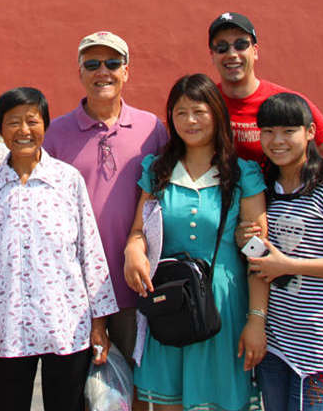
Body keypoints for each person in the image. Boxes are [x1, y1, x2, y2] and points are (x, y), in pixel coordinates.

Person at [0, 87, 119, 411]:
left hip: (67, 326)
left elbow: (90, 252)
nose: (23, 130)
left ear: (45, 125)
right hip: (6, 328)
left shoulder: (67, 180)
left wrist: (99, 324)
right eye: (13, 122)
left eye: (32, 121)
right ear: (0, 128)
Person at [123, 74, 269, 411]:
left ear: (217, 114)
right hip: (171, 304)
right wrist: (133, 249)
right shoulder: (158, 171)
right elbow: (139, 230)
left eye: (199, 111)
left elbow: (258, 254)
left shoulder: (241, 174)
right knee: (168, 402)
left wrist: (256, 319)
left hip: (223, 305)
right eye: (181, 113)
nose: (190, 121)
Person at [43, 31, 167, 360]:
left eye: (112, 63)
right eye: (92, 64)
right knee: (79, 383)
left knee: (135, 379)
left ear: (126, 71)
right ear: (80, 72)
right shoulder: (56, 134)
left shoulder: (151, 129)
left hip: (135, 283)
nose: (103, 72)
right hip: (75, 289)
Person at [248, 92, 323, 411]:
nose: (277, 141)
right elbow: (259, 252)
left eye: (289, 131)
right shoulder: (264, 188)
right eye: (268, 131)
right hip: (275, 342)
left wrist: (289, 265)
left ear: (310, 132)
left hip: (320, 347)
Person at [207, 12, 323, 169]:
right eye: (222, 47)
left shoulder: (287, 103)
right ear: (212, 55)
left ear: (255, 51)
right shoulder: (205, 102)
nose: (232, 54)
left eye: (241, 45)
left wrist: (312, 185)